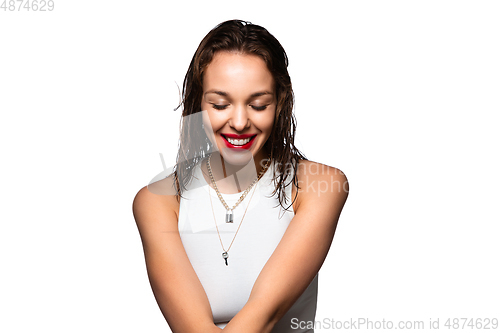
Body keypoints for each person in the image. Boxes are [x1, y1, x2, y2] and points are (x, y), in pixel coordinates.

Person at [133, 19, 349, 333]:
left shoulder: (319, 185)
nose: (238, 121)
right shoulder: (158, 200)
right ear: (198, 102)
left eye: (258, 104)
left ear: (280, 103)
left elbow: (262, 319)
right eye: (220, 104)